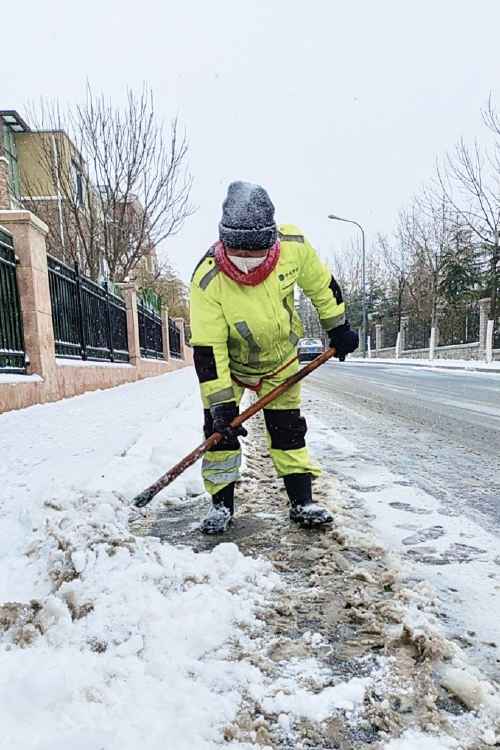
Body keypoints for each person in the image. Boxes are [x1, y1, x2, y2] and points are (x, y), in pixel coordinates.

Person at [190, 181, 358, 534]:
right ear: (224, 242)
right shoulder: (207, 280)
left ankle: (302, 501)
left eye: (257, 253)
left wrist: (338, 326)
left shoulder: (293, 247)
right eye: (239, 254)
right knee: (219, 434)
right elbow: (208, 350)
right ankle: (221, 505)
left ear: (272, 242)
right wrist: (221, 406)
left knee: (288, 431)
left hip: (280, 361)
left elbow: (322, 287)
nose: (248, 264)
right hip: (232, 369)